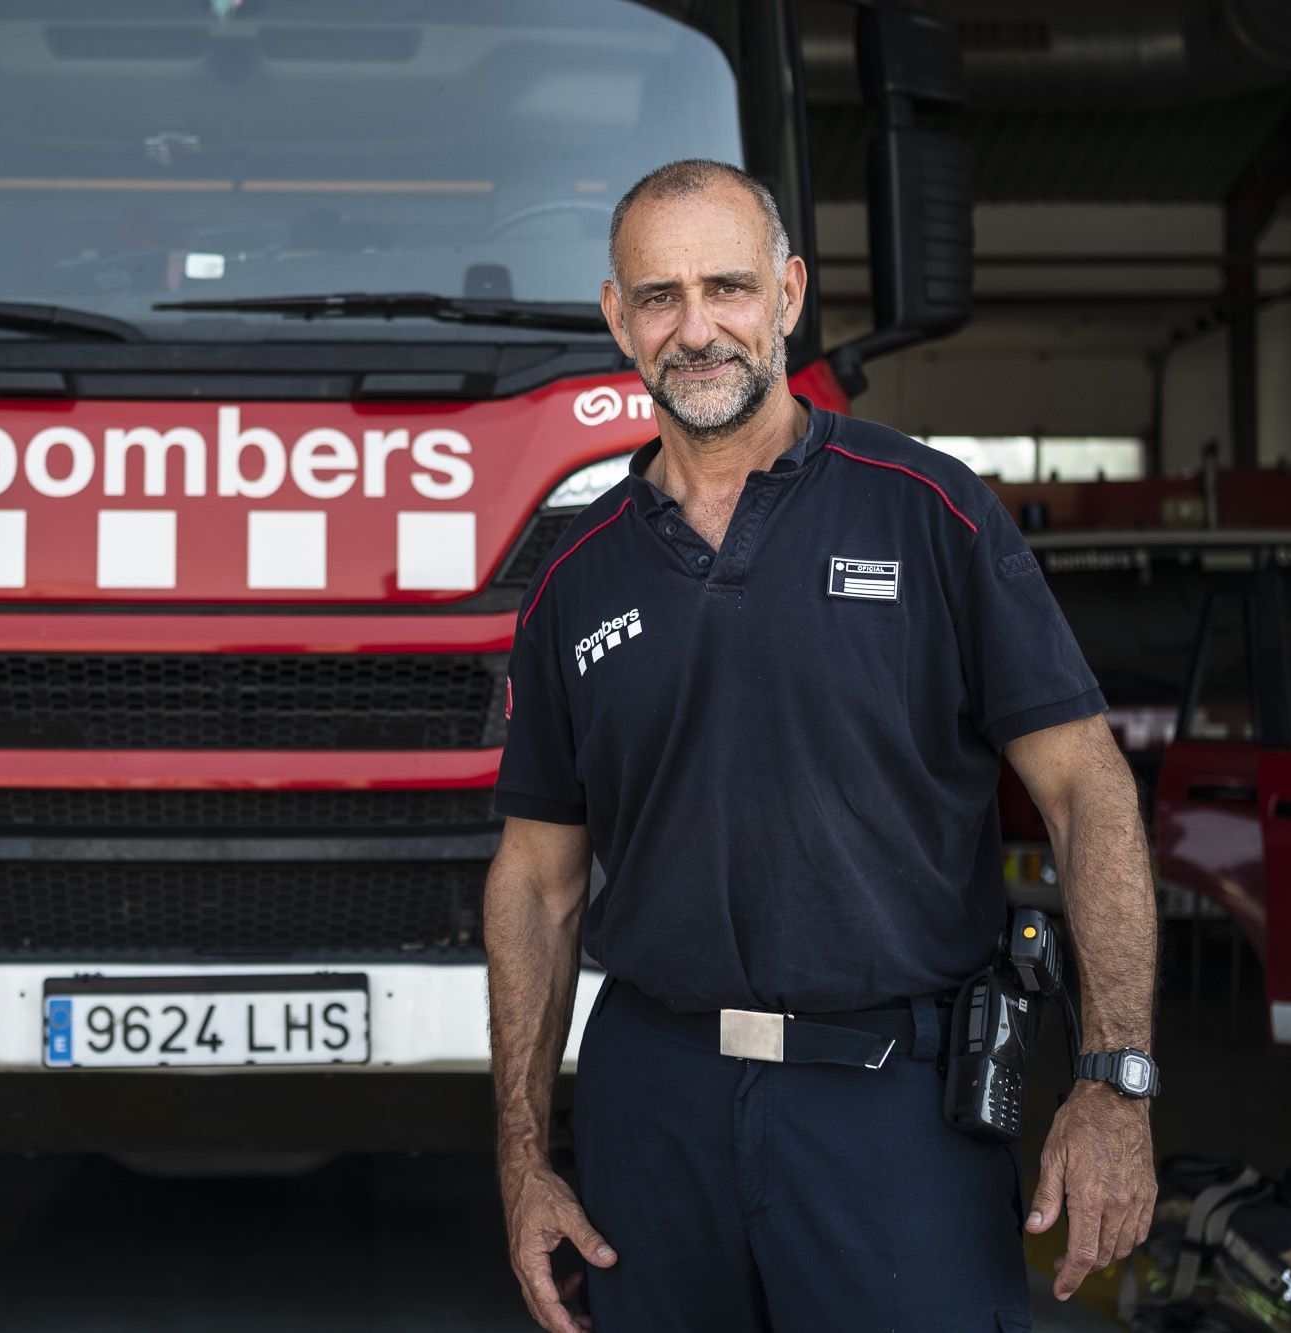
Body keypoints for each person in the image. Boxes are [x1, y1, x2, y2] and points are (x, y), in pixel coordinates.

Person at [485, 159, 1160, 1333]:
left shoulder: (931, 513)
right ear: (614, 317)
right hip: (656, 1104)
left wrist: (1111, 1083)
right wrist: (521, 1155)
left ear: (789, 294)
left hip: (891, 1107)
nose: (695, 330)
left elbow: (1085, 792)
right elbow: (536, 878)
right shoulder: (573, 579)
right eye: (657, 297)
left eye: (727, 288)